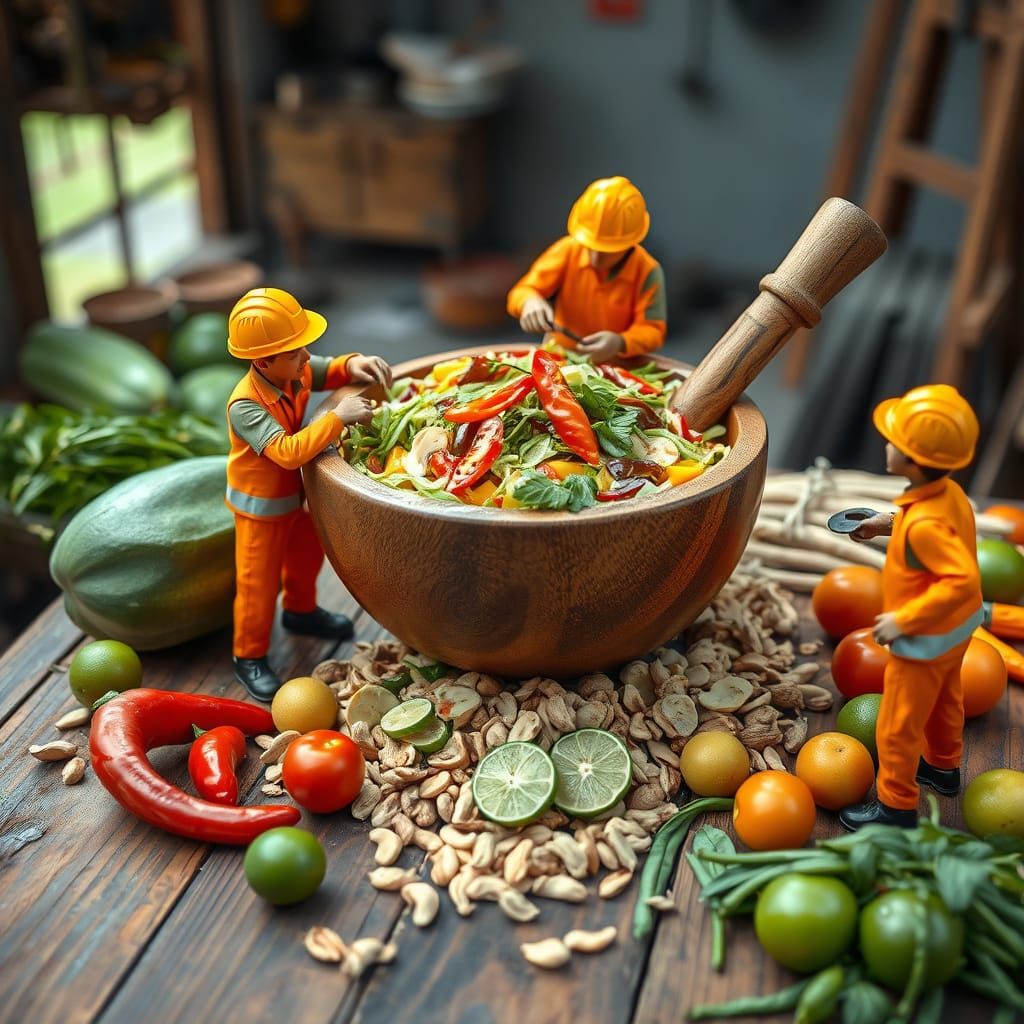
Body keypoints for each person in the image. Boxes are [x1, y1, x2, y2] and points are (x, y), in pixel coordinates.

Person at [225, 287, 392, 701]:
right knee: (257, 584)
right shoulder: (244, 405)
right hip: (260, 510)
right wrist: (337, 418)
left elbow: (329, 369)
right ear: (264, 361)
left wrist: (355, 363)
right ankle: (248, 656)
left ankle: (301, 612)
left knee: (305, 559)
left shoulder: (292, 368)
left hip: (297, 498)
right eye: (296, 351)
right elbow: (285, 452)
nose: (306, 357)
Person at [839, 385, 983, 830]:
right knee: (945, 703)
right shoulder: (948, 496)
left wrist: (905, 619)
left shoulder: (924, 525)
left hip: (922, 641)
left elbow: (960, 578)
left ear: (914, 461)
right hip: (957, 634)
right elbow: (929, 527)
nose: (886, 446)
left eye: (894, 442)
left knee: (897, 727)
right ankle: (943, 768)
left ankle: (895, 806)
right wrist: (883, 523)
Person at [506, 176, 667, 361]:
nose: (595, 257)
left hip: (616, 366)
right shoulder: (567, 251)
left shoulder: (647, 271)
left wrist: (620, 342)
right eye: (590, 246)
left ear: (630, 242)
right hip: (559, 360)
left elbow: (654, 330)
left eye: (607, 251)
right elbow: (522, 291)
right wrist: (529, 302)